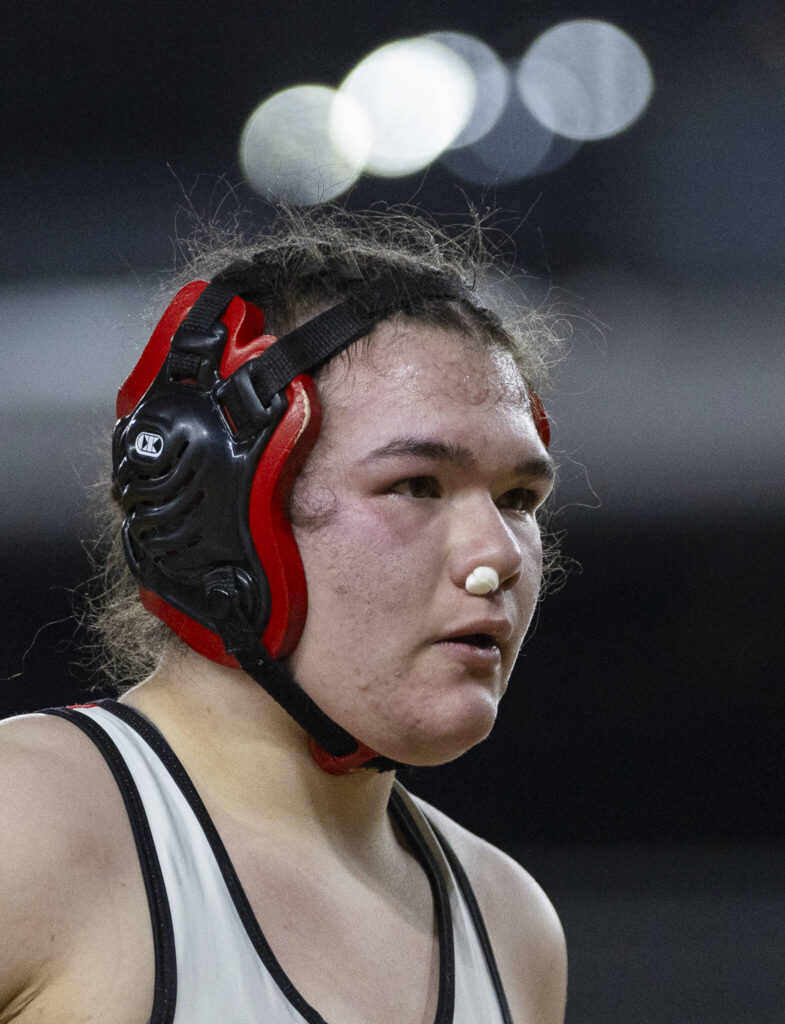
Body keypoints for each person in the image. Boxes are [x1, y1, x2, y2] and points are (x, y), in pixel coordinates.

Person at [0, 207, 567, 1024]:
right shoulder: (31, 828)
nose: (497, 556)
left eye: (518, 498)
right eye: (415, 485)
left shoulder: (510, 928)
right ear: (216, 512)